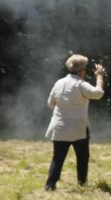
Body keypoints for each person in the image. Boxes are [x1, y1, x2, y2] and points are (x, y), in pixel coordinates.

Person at [44, 54, 105, 190]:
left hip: (59, 127)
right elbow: (98, 93)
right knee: (82, 157)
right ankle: (82, 184)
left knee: (57, 158)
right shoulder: (81, 84)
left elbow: (50, 103)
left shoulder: (59, 83)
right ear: (81, 70)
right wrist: (99, 76)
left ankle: (50, 185)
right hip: (78, 128)